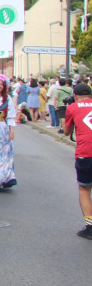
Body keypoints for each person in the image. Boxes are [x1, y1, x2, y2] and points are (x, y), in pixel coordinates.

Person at [63, 82, 92, 240]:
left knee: (84, 190)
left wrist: (65, 113)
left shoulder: (72, 108)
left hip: (85, 154)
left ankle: (90, 226)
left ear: (75, 96)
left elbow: (66, 132)